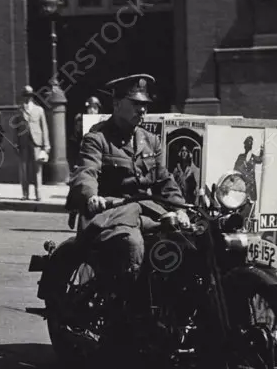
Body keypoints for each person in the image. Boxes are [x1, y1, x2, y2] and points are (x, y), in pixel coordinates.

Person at [69, 74, 188, 313]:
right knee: (132, 243)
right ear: (116, 104)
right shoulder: (97, 139)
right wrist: (91, 196)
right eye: (135, 103)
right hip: (108, 215)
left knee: (188, 237)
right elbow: (86, 172)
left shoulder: (150, 141)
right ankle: (125, 311)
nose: (142, 109)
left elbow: (165, 180)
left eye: (144, 104)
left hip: (144, 211)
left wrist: (180, 209)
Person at [16, 85, 50, 201]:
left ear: (32, 96)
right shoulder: (19, 110)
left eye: (29, 96)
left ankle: (38, 194)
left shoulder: (39, 110)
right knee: (24, 169)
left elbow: (44, 128)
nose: (28, 98)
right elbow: (15, 129)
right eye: (26, 96)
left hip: (37, 143)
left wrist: (46, 146)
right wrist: (15, 143)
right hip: (23, 143)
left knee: (37, 170)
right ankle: (25, 194)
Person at [71, 96, 102, 169]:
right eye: (90, 108)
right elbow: (75, 138)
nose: (92, 110)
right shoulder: (80, 119)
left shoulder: (102, 120)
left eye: (95, 108)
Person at [234, 135, 264, 203]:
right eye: (247, 144)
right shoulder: (241, 157)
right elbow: (236, 168)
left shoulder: (253, 157)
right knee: (242, 200)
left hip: (251, 184)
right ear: (245, 146)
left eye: (250, 144)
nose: (249, 146)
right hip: (243, 183)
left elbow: (260, 159)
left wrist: (262, 149)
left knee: (251, 202)